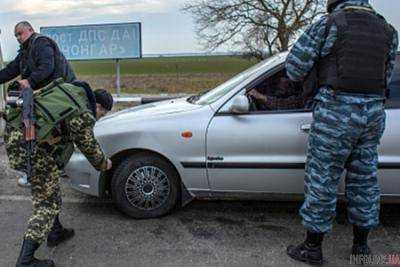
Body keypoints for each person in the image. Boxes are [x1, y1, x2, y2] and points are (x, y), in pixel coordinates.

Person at [285, 0, 398, 265]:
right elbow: (387, 75)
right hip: (372, 114)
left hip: (336, 112)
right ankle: (361, 249)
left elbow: (293, 68)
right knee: (365, 179)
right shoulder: (388, 30)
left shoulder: (329, 24)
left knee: (322, 178)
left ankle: (312, 248)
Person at [4, 80, 113, 267]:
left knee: (50, 191)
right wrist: (104, 164)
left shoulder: (67, 91)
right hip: (32, 148)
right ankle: (26, 260)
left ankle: (55, 232)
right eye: (103, 113)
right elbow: (89, 146)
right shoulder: (82, 112)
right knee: (47, 205)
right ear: (98, 106)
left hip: (17, 135)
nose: (100, 117)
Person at [0, 21, 76, 188]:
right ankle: (52, 168)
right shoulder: (25, 51)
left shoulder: (41, 43)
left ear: (30, 30)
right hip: (50, 96)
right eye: (16, 36)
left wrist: (29, 80)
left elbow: (47, 67)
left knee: (47, 132)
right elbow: (12, 69)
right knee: (48, 133)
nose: (18, 38)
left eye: (20, 33)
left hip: (62, 94)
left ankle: (40, 171)